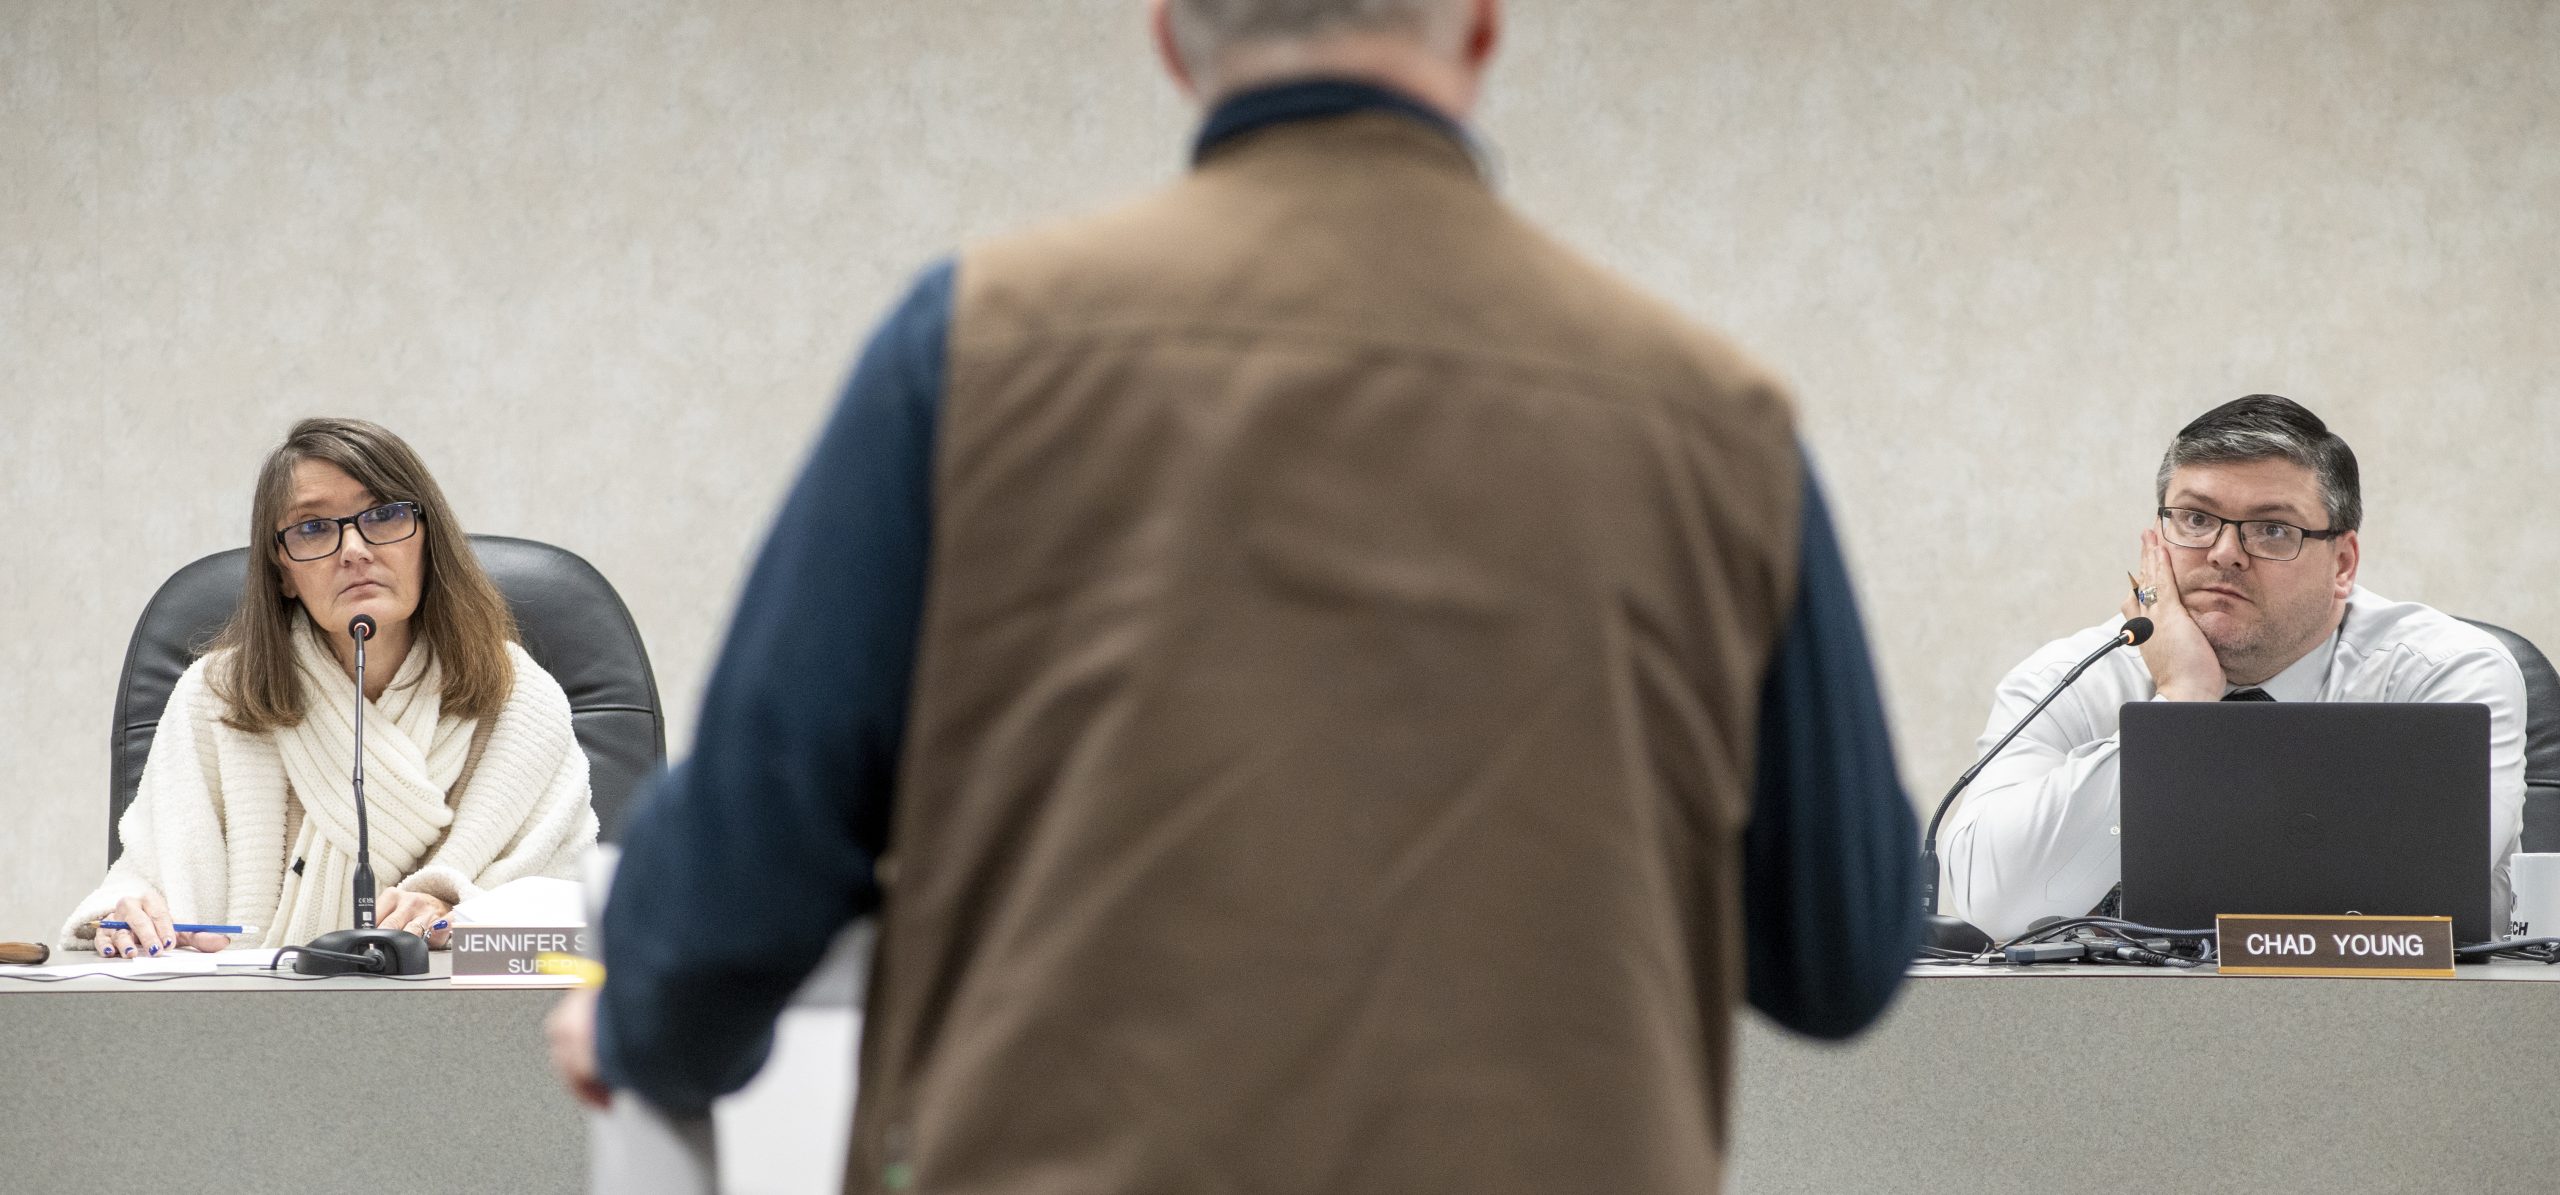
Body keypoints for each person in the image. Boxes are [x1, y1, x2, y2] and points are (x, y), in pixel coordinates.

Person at [549, 1, 1919, 1189]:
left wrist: (642, 1021)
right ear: (1484, 26)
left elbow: (749, 847)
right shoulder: (1718, 423)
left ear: (1171, 39)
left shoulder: (968, 351)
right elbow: (1846, 949)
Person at [1940, 394, 2529, 941]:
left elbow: (2407, 905)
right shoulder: (2066, 678)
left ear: (2343, 564)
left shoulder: (2445, 676)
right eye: (2196, 520)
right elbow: (1989, 903)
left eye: (2273, 529)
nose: (2224, 552)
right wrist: (2182, 707)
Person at [62, 418, 597, 959]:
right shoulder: (216, 697)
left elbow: (570, 914)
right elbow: (151, 879)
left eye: (384, 515)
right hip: (245, 1021)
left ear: (427, 539)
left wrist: (459, 915)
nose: (354, 549)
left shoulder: (520, 698)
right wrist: (129, 915)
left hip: (454, 1024)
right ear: (282, 572)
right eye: (313, 529)